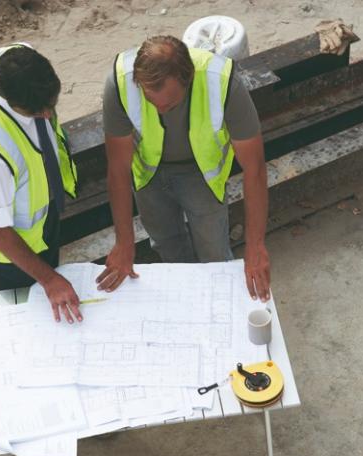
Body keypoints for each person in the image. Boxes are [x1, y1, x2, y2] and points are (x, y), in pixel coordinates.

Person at [96, 35, 271, 301]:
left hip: (202, 176)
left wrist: (255, 246)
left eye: (169, 104)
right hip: (149, 174)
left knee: (214, 253)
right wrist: (124, 242)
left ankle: (220, 304)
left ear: (188, 81)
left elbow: (254, 168)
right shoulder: (121, 82)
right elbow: (118, 169)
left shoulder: (222, 82)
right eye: (151, 101)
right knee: (167, 246)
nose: (160, 110)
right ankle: (189, 301)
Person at [0, 43, 83, 323]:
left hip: (40, 219)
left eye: (51, 105)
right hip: (8, 256)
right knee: (23, 321)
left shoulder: (16, 58)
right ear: (11, 100)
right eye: (39, 112)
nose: (48, 115)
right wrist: (50, 280)